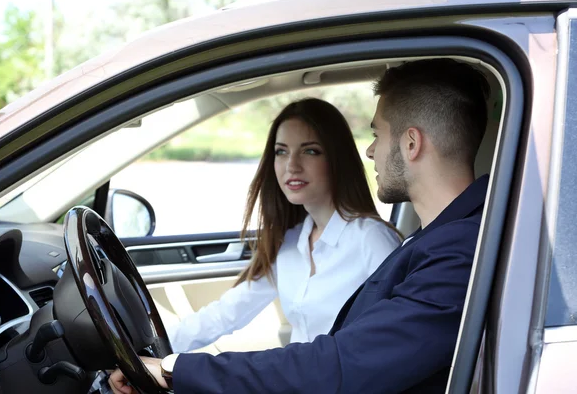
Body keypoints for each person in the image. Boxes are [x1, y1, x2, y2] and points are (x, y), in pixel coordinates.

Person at [109, 58, 491, 394]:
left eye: (376, 134)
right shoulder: (431, 240)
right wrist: (148, 357)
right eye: (281, 152)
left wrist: (177, 369)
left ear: (411, 144)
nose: (371, 150)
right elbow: (228, 316)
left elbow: (339, 365)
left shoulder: (451, 250)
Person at [165, 97, 401, 353]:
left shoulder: (371, 239)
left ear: (337, 159)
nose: (292, 166)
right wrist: (152, 349)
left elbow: (395, 338)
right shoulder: (290, 242)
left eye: (310, 151)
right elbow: (225, 314)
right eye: (281, 151)